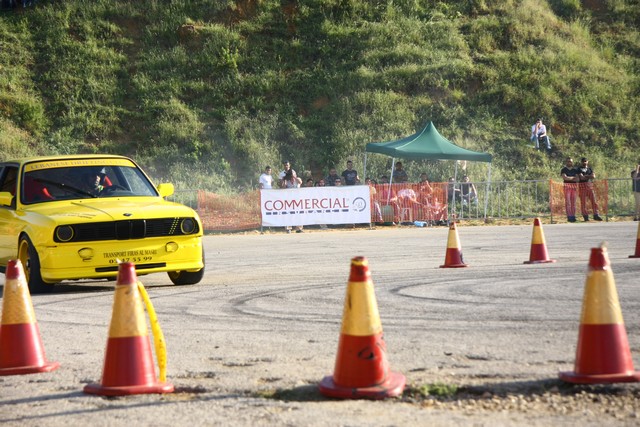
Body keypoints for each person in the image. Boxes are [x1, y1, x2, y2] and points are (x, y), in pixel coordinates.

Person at [560, 157, 579, 222]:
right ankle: (569, 216)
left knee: (573, 202)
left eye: (570, 161)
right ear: (566, 162)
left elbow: (577, 179)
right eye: (568, 161)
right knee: (568, 202)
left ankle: (573, 216)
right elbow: (565, 178)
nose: (569, 162)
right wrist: (573, 178)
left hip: (574, 187)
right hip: (567, 187)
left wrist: (569, 178)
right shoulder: (564, 169)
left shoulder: (575, 170)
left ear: (572, 162)